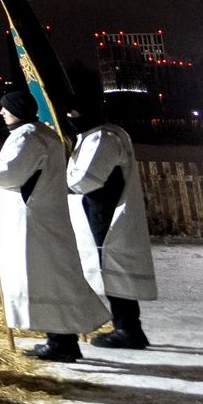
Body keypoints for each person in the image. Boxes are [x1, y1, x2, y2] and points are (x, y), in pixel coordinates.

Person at [0, 89, 108, 360]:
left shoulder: (28, 137)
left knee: (46, 278)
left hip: (33, 221)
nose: (2, 112)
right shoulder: (43, 133)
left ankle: (62, 342)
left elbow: (9, 173)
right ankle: (60, 338)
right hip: (44, 215)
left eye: (6, 107)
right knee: (51, 277)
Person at [65, 75, 157, 349]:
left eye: (74, 112)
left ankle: (128, 329)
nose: (70, 117)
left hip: (106, 214)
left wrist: (61, 175)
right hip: (100, 210)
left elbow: (86, 179)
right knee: (111, 271)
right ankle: (126, 327)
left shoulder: (103, 137)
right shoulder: (95, 135)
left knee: (113, 270)